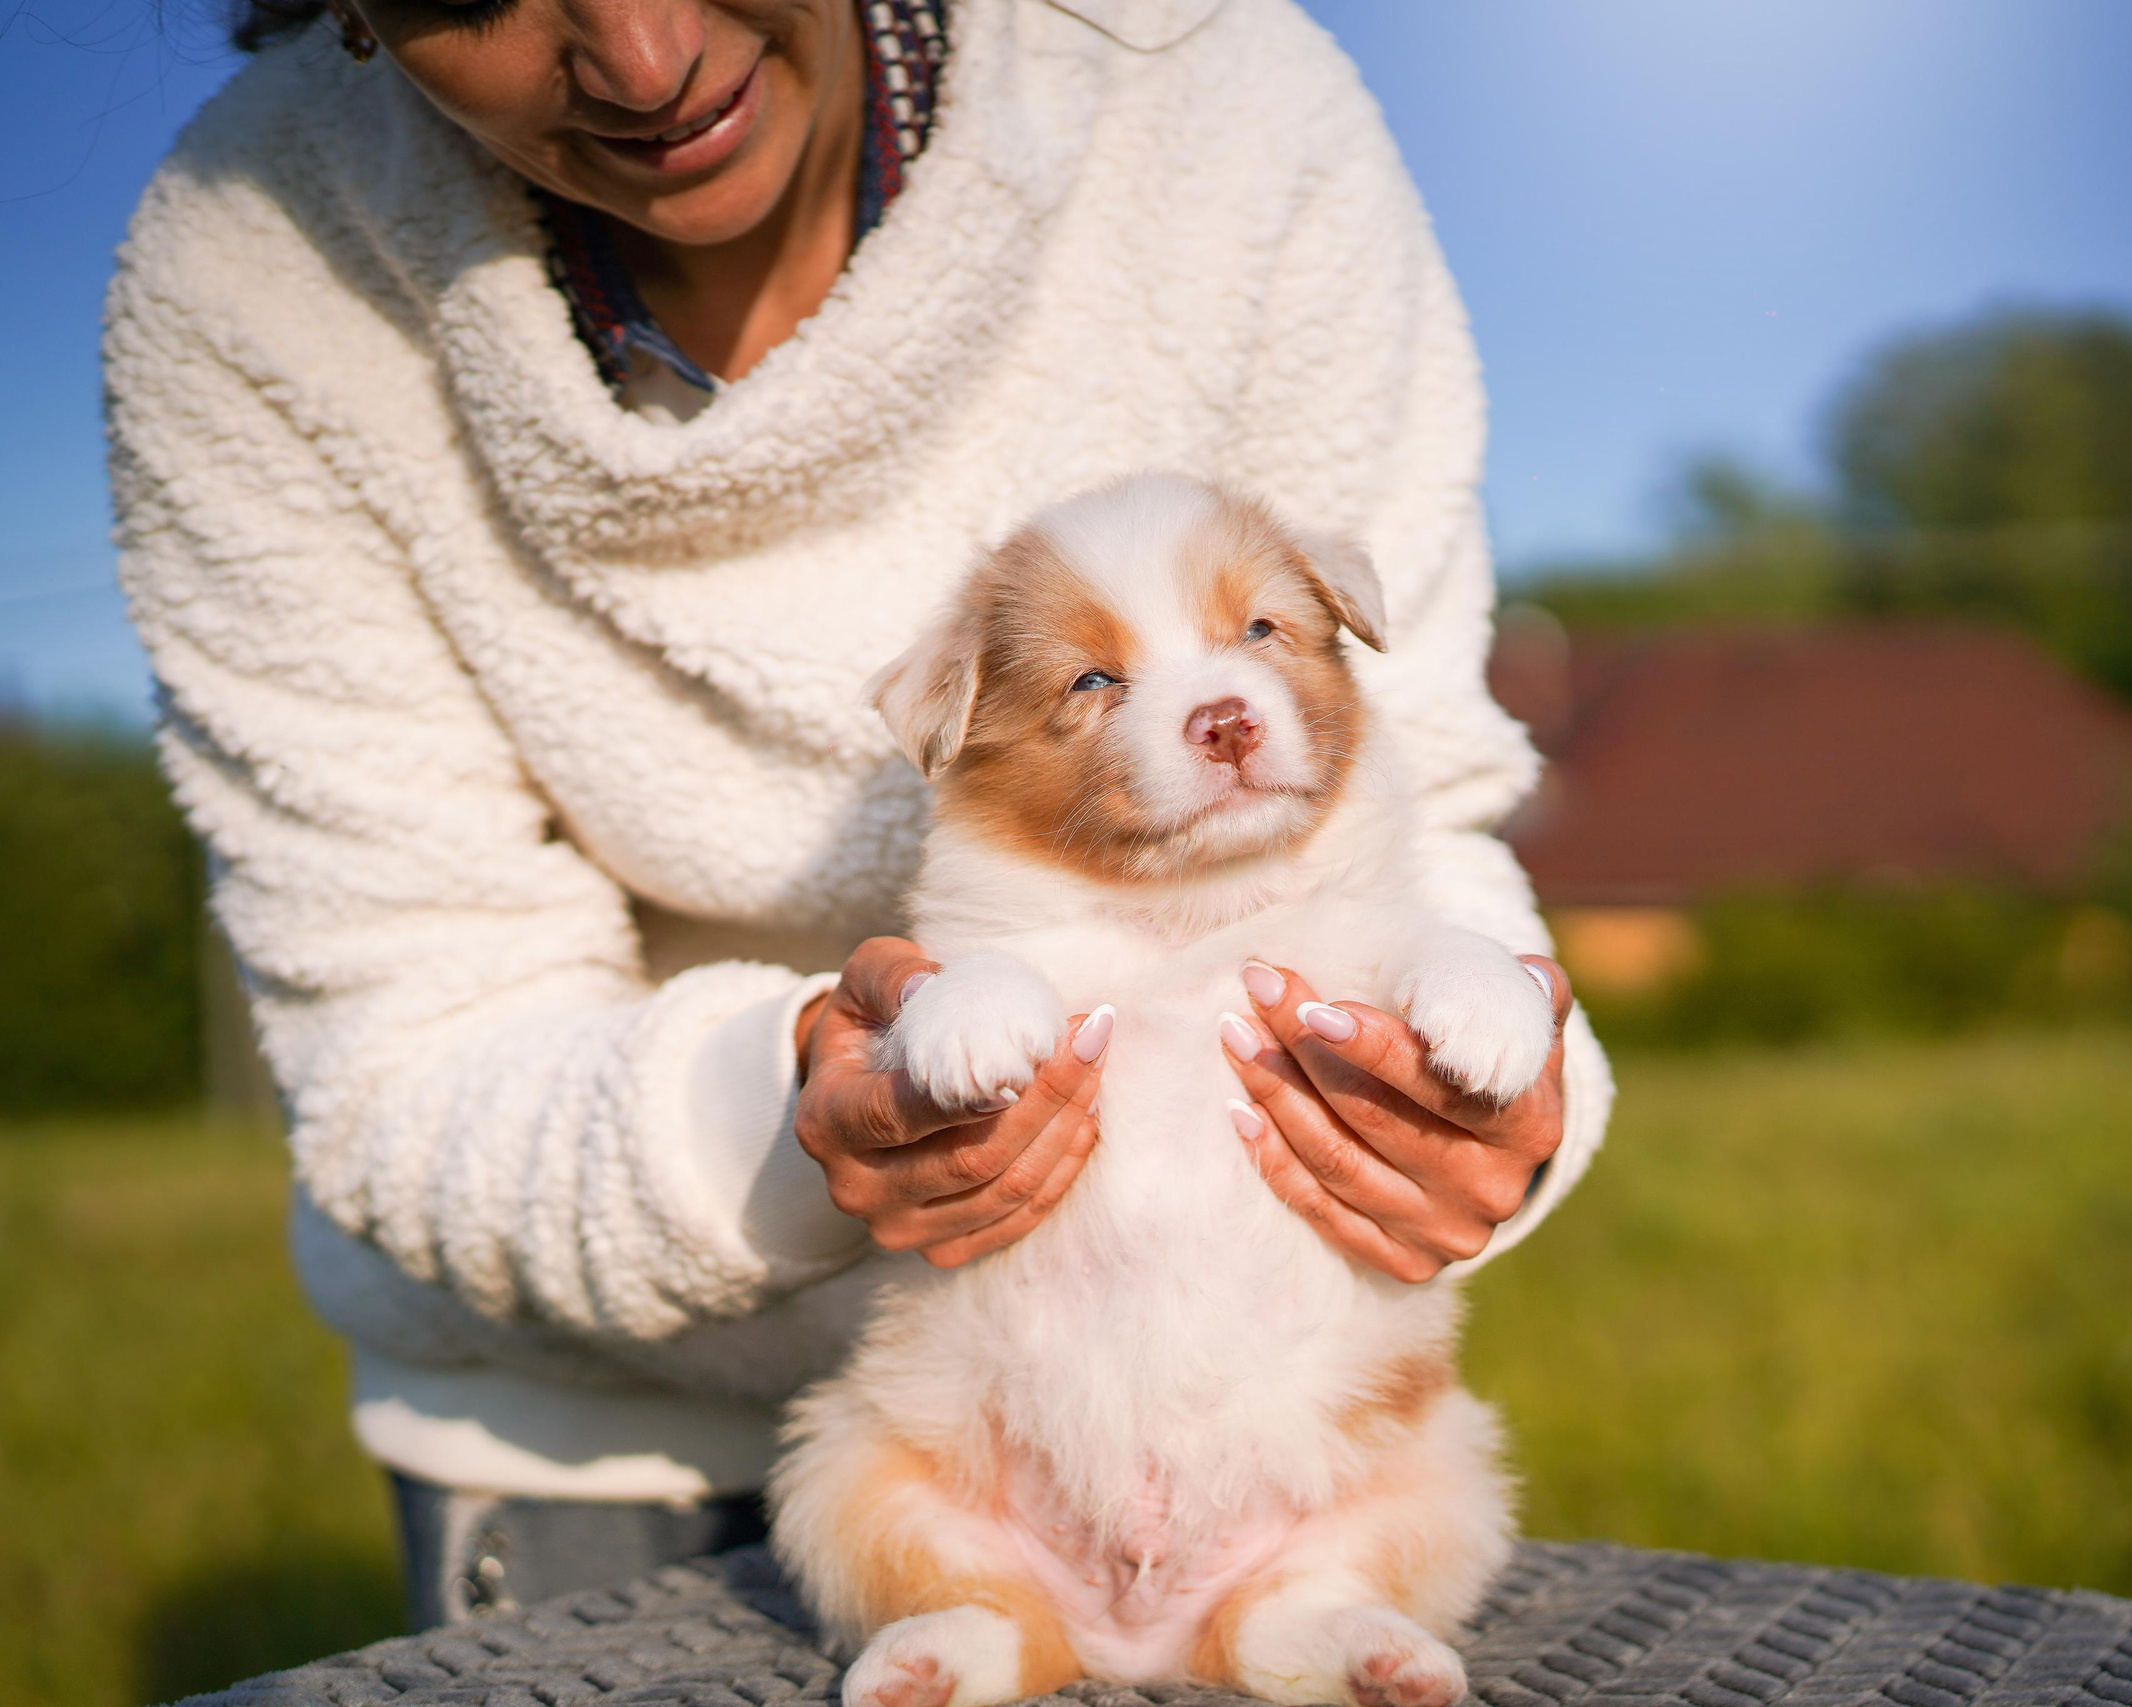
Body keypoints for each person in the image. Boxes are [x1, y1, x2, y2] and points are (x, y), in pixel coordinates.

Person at [106, 0, 1612, 1631]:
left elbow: (1429, 786)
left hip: (1276, 1421)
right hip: (605, 1427)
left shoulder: (1214, 87)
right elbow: (406, 1044)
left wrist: (1497, 1109)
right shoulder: (257, 264)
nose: (644, 57)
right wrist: (786, 1117)